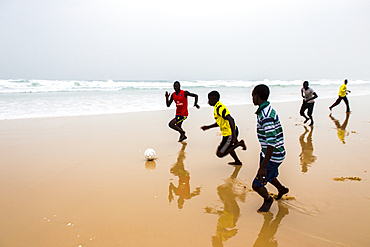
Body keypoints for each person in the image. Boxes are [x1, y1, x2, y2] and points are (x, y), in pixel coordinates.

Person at [251, 84, 289, 213]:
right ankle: (282, 189)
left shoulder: (266, 115)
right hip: (268, 153)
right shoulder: (265, 110)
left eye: (253, 96)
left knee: (257, 184)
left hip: (274, 155)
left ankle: (268, 200)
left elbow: (271, 143)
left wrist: (263, 166)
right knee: (270, 175)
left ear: (257, 96)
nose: (252, 99)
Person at [201, 91, 246, 165]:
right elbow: (220, 122)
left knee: (220, 153)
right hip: (227, 133)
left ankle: (239, 143)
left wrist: (234, 136)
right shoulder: (216, 107)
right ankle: (237, 161)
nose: (208, 101)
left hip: (230, 133)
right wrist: (208, 127)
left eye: (209, 99)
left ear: (214, 99)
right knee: (228, 147)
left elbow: (231, 119)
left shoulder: (220, 108)